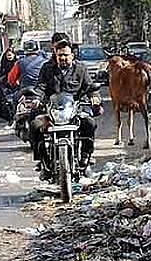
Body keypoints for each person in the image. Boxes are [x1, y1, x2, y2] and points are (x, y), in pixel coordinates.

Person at [29, 39, 99, 169]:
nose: (63, 58)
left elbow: (89, 87)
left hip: (75, 110)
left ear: (72, 55)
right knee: (34, 125)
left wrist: (94, 98)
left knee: (90, 123)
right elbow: (41, 86)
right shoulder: (47, 68)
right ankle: (43, 160)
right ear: (55, 55)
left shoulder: (81, 69)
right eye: (60, 55)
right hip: (52, 111)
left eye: (66, 55)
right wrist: (36, 98)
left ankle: (85, 155)